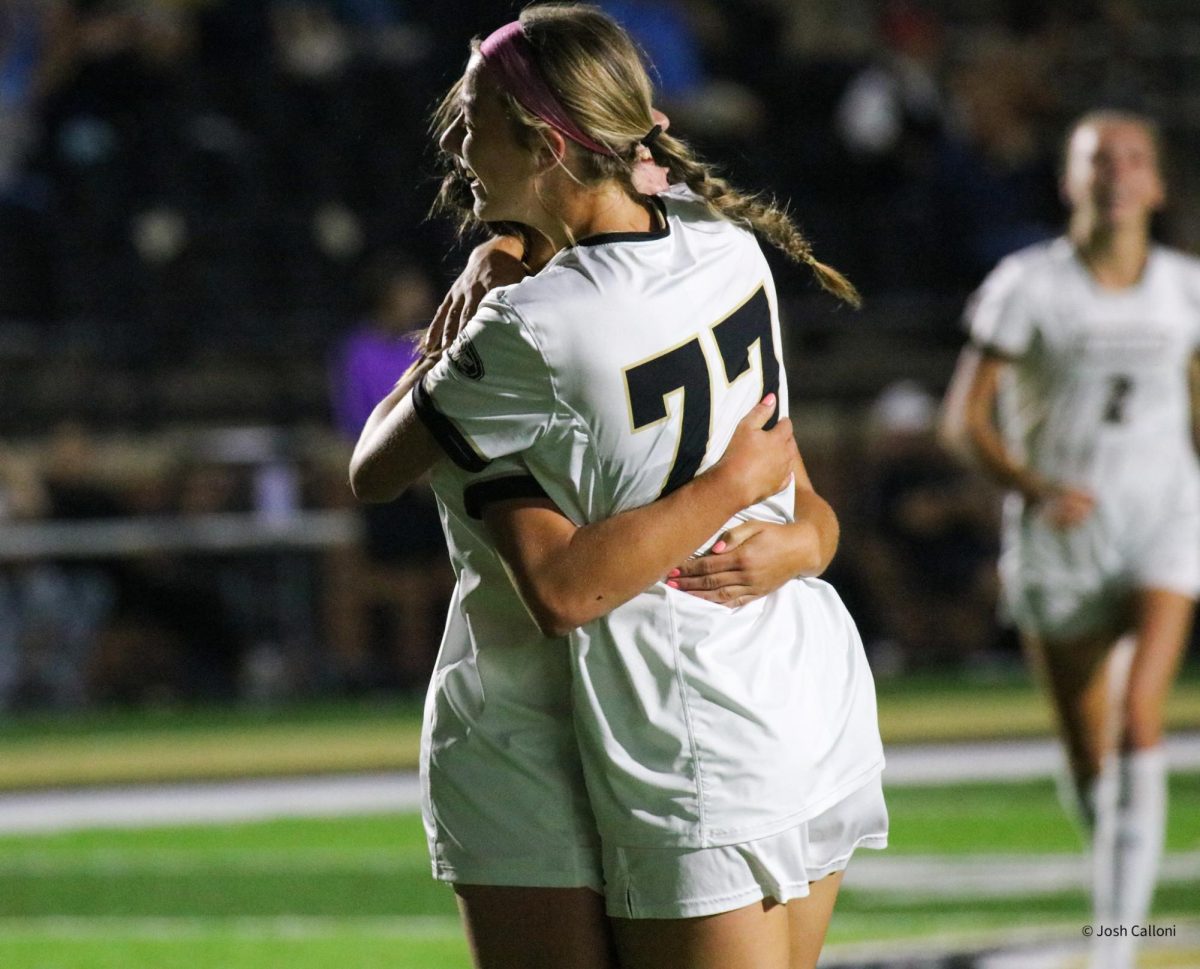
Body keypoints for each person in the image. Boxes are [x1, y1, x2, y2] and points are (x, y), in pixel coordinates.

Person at [350, 6, 886, 968]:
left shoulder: (528, 330)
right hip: (783, 688)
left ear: (549, 142)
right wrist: (789, 528)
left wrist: (729, 489)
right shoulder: (721, 244)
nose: (455, 140)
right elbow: (799, 498)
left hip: (675, 723)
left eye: (472, 118)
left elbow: (384, 475)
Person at [940, 110, 1200, 969]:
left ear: (1156, 184)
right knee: (1093, 755)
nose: (1117, 173)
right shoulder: (1029, 285)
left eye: (1134, 158)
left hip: (1163, 519)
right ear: (1069, 180)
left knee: (1137, 720)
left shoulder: (1185, 288)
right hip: (1063, 534)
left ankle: (1115, 949)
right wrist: (1035, 486)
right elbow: (964, 420)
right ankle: (1119, 882)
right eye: (1099, 159)